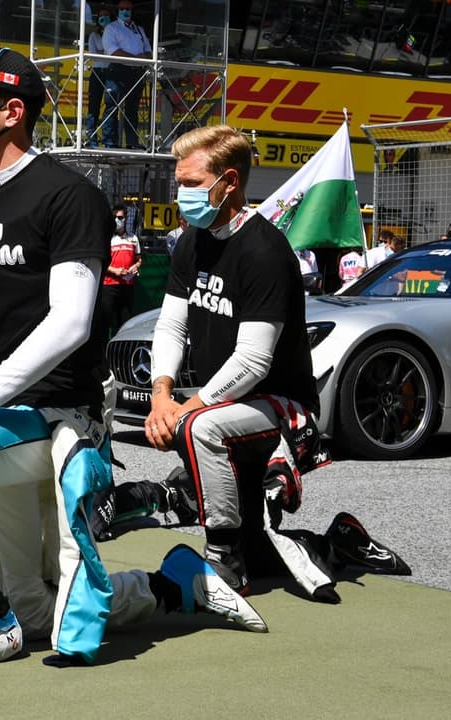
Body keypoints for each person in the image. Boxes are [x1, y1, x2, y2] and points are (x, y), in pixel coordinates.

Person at [0, 47, 261, 672]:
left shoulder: (69, 195)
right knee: (37, 608)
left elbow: (71, 323)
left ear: (11, 111)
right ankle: (173, 586)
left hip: (52, 414)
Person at [143, 124, 321, 595]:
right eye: (179, 184)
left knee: (198, 426)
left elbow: (254, 361)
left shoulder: (264, 250)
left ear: (229, 182)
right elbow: (171, 326)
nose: (181, 195)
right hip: (228, 403)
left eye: (192, 184)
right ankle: (339, 543)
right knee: (261, 548)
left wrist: (185, 408)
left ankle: (224, 562)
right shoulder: (192, 242)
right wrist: (161, 396)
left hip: (282, 408)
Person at [101, 0, 151, 149]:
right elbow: (113, 51)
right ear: (118, 10)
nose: (125, 11)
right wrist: (135, 59)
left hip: (136, 72)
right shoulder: (112, 28)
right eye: (122, 8)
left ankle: (132, 143)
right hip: (118, 70)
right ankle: (110, 143)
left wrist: (142, 58)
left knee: (132, 109)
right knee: (112, 106)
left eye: (128, 8)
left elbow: (149, 51)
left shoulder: (139, 29)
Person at [101, 203, 142, 339]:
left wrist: (136, 266)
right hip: (109, 285)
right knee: (105, 322)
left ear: (126, 218)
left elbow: (138, 259)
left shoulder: (133, 238)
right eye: (115, 217)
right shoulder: (107, 239)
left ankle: (121, 348)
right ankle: (103, 349)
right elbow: (102, 262)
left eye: (120, 217)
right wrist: (115, 271)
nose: (117, 220)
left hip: (127, 286)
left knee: (125, 323)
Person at [85, 5, 112, 146]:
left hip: (111, 72)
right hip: (97, 72)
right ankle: (91, 139)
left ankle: (108, 139)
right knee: (94, 105)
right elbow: (94, 55)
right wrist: (107, 52)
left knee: (110, 105)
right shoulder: (94, 35)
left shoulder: (114, 34)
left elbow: (113, 52)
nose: (103, 18)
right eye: (101, 16)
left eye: (106, 15)